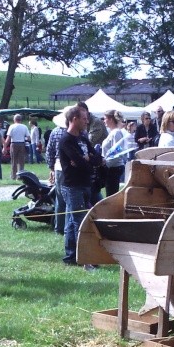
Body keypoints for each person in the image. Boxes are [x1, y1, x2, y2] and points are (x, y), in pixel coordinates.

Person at [59, 105, 102, 267]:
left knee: (72, 222)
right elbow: (78, 162)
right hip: (72, 186)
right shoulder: (66, 140)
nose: (87, 121)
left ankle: (71, 256)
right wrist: (85, 160)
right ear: (74, 119)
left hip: (86, 183)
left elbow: (97, 159)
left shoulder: (83, 138)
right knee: (80, 221)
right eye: (84, 118)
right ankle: (86, 260)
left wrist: (88, 158)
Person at [46, 108, 71, 236]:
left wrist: (51, 168)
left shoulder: (55, 132)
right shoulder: (75, 133)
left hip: (58, 167)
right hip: (70, 168)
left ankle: (59, 227)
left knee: (60, 199)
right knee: (69, 199)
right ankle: (67, 228)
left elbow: (49, 151)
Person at [101, 109, 128, 197]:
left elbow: (118, 149)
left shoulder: (116, 132)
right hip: (111, 167)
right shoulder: (112, 132)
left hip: (113, 168)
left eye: (105, 118)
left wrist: (106, 161)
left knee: (111, 196)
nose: (104, 120)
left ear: (111, 119)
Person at [5, 113, 29, 179]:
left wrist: (4, 146)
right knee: (21, 161)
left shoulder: (12, 126)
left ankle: (13, 176)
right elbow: (28, 138)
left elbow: (8, 138)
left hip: (14, 144)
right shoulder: (24, 127)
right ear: (20, 120)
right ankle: (21, 175)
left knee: (14, 160)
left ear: (14, 119)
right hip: (22, 144)